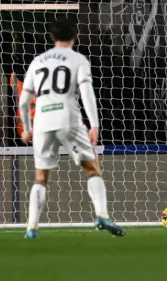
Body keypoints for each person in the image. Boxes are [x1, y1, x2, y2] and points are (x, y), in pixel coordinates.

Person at [18, 19, 124, 238]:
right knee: (92, 168)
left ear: (51, 37)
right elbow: (86, 93)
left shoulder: (37, 61)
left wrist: (26, 129)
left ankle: (31, 227)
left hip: (43, 120)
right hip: (68, 117)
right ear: (75, 37)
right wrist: (94, 125)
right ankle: (102, 215)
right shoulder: (78, 59)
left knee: (41, 176)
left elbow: (23, 100)